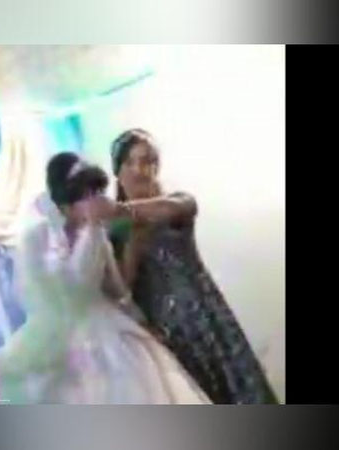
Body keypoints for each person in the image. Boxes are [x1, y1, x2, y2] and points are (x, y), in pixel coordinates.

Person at [0, 152, 210, 404]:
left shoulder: (98, 233)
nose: (95, 200)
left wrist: (140, 320)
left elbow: (116, 288)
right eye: (86, 194)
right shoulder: (37, 237)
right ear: (66, 201)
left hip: (105, 325)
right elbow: (43, 289)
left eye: (96, 192)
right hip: (54, 330)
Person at [105, 129, 277, 404]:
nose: (139, 170)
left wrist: (121, 211)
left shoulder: (177, 203)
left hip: (207, 318)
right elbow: (120, 289)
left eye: (147, 161)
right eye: (130, 162)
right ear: (118, 170)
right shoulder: (113, 232)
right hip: (165, 332)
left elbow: (174, 208)